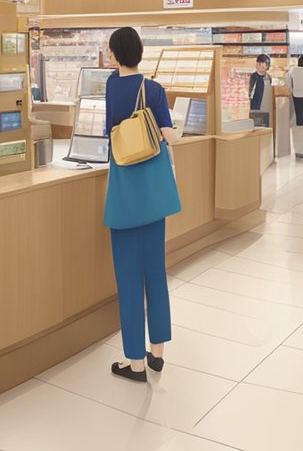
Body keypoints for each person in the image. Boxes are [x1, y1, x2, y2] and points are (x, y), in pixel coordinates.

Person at [102, 27, 181, 383]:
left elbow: (111, 131)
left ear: (117, 54)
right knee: (155, 274)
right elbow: (168, 135)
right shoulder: (155, 89)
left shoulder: (110, 87)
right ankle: (158, 354)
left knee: (128, 279)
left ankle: (134, 364)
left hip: (123, 195)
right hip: (152, 197)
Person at [248, 54, 273, 128]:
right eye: (259, 63)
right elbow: (250, 91)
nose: (261, 65)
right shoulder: (253, 76)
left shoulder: (268, 77)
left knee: (265, 126)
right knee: (256, 126)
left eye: (264, 64)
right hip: (255, 106)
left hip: (266, 106)